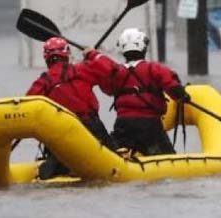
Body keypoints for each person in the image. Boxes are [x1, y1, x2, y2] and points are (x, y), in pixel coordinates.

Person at [26, 37, 118, 179]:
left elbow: (28, 106)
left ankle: (56, 163)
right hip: (90, 127)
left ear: (47, 58)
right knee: (116, 156)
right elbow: (112, 69)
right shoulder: (83, 69)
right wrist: (93, 54)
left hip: (59, 133)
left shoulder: (43, 81)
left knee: (56, 154)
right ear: (66, 55)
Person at [99, 28, 190, 156]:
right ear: (143, 48)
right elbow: (173, 87)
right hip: (150, 125)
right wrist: (184, 97)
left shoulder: (116, 72)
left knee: (115, 153)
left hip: (123, 124)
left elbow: (107, 89)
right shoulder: (155, 69)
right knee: (167, 156)